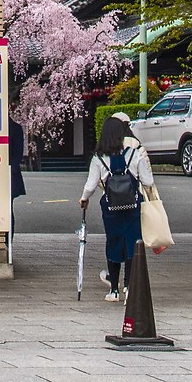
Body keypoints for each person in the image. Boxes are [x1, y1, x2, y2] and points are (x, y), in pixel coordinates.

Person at [79, 112, 155, 301]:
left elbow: (90, 185)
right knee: (133, 243)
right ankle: (129, 286)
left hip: (111, 208)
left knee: (113, 243)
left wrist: (84, 199)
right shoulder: (134, 155)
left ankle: (113, 289)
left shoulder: (99, 159)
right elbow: (148, 181)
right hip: (132, 206)